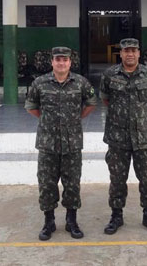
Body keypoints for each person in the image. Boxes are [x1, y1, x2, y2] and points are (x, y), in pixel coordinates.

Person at [25, 46, 97, 241]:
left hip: (72, 142)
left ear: (70, 62)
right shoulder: (40, 83)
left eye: (65, 60)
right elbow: (31, 106)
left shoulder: (80, 82)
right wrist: (46, 120)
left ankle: (71, 221)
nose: (61, 63)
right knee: (47, 184)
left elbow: (91, 102)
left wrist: (76, 119)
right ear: (52, 62)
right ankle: (49, 222)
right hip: (47, 144)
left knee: (72, 184)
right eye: (58, 59)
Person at [99, 38, 147, 235]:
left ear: (138, 53)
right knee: (117, 179)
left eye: (133, 50)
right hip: (117, 137)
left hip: (144, 137)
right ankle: (116, 216)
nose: (130, 54)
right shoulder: (110, 75)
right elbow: (105, 99)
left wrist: (139, 119)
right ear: (121, 53)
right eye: (126, 50)